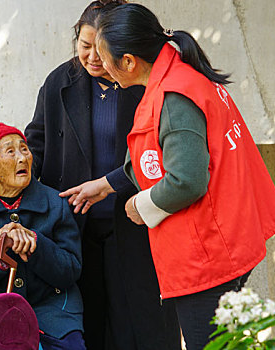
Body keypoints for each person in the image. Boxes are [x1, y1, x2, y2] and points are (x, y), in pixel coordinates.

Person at [61, 3, 275, 349]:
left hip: (207, 252)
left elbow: (187, 180)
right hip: (218, 241)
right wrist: (106, 186)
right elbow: (153, 157)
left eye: (105, 56)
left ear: (128, 61)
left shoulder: (174, 95)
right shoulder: (174, 78)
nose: (99, 64)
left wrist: (140, 204)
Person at [25, 1, 181, 349]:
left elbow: (160, 155)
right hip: (74, 228)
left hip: (136, 221)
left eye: (101, 48)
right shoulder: (58, 83)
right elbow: (36, 141)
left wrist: (114, 185)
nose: (93, 57)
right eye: (84, 46)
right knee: (85, 325)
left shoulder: (141, 80)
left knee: (140, 326)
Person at [0, 121, 85, 350]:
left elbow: (70, 270)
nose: (22, 158)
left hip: (50, 310)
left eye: (24, 149)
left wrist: (36, 245)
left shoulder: (55, 203)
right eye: (10, 152)